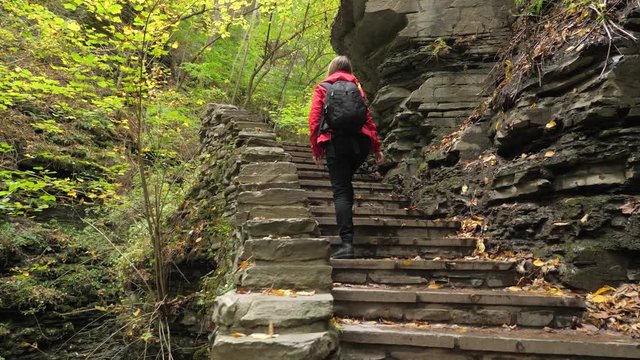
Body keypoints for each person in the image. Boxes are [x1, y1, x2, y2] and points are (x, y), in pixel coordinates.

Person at [308, 55, 384, 259]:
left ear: (331, 69)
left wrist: (316, 148)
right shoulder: (357, 88)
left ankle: (347, 244)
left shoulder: (323, 87)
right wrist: (376, 147)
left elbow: (315, 119)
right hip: (361, 144)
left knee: (340, 190)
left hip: (336, 142)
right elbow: (368, 120)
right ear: (349, 69)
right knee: (345, 184)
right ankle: (347, 233)